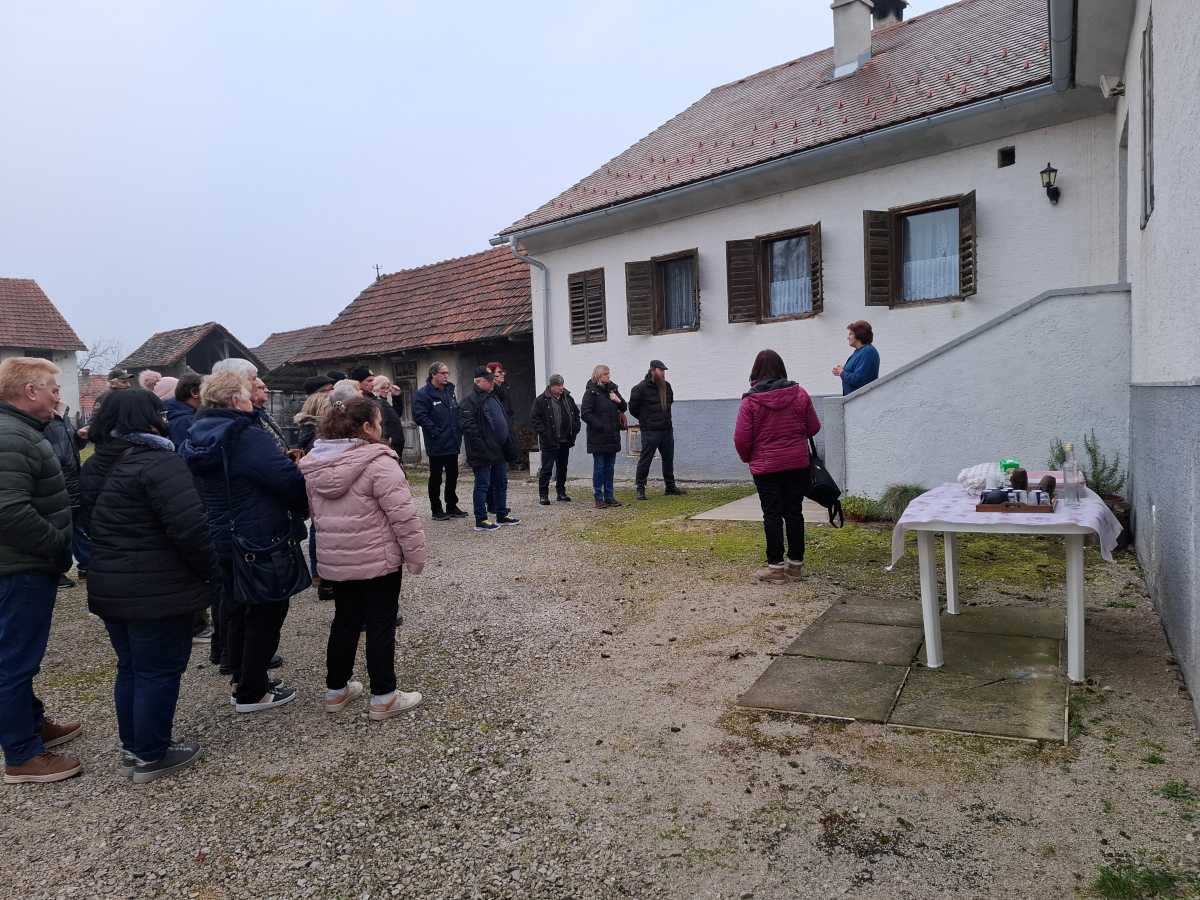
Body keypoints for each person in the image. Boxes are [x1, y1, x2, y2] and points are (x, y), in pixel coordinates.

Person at [79, 389, 221, 782]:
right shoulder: (160, 462)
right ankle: (152, 753)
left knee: (130, 667)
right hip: (158, 587)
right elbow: (191, 528)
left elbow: (88, 520)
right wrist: (213, 572)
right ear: (148, 418)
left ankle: (134, 748)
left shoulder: (95, 462)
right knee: (158, 670)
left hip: (110, 582)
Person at [181, 369, 308, 712]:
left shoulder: (198, 433)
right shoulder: (245, 436)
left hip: (222, 532)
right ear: (236, 400)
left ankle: (243, 679)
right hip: (258, 535)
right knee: (267, 609)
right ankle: (253, 691)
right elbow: (286, 481)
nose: (253, 400)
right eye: (249, 395)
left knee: (238, 608)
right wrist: (303, 489)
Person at [300, 397, 427, 720]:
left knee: (344, 621)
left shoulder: (314, 463)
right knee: (381, 624)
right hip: (377, 559)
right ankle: (384, 696)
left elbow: (315, 514)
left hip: (336, 559)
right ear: (368, 427)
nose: (383, 428)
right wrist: (415, 557)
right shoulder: (379, 461)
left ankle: (336, 690)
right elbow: (403, 516)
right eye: (380, 423)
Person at [0, 357, 81, 784]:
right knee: (14, 660)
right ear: (30, 391)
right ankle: (22, 753)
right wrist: (57, 546)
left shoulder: (19, 430)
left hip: (22, 564)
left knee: (18, 656)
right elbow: (9, 512)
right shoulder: (11, 437)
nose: (57, 396)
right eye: (52, 388)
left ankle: (32, 725)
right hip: (20, 568)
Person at [734, 350, 822, 584]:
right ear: (781, 368)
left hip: (765, 467)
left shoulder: (750, 401)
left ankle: (775, 568)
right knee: (794, 512)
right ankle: (795, 566)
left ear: (755, 371)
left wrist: (748, 458)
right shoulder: (800, 394)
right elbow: (813, 427)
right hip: (797, 463)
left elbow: (742, 439)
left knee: (772, 513)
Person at [459, 366, 520, 532]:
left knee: (501, 482)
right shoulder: (469, 400)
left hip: (498, 449)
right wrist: (482, 446)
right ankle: (481, 520)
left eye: (492, 379)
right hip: (483, 451)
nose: (492, 382)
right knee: (483, 485)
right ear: (478, 382)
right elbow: (469, 428)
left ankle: (502, 514)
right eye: (488, 380)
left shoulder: (492, 396)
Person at [412, 361, 465, 521]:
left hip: (452, 440)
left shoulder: (449, 390)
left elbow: (455, 412)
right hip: (437, 442)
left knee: (452, 475)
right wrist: (436, 431)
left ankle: (451, 505)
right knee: (436, 477)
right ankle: (436, 509)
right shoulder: (423, 394)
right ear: (433, 374)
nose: (446, 376)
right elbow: (419, 416)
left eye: (447, 373)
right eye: (443, 373)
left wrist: (459, 429)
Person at [628, 359, 687, 500]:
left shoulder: (667, 386)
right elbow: (633, 409)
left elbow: (669, 402)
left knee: (668, 459)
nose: (663, 373)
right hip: (650, 431)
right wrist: (646, 420)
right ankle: (640, 488)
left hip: (666, 429)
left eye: (664, 371)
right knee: (645, 460)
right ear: (652, 371)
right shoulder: (639, 388)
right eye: (661, 370)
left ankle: (670, 487)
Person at [44, 399, 87, 588]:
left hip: (72, 481)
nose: (57, 396)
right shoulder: (42, 417)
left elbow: (70, 447)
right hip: (57, 482)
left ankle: (86, 565)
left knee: (77, 525)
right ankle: (56, 570)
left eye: (58, 390)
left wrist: (79, 438)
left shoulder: (62, 415)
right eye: (53, 391)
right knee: (58, 528)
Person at [212, 358, 289, 453]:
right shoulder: (236, 426)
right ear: (237, 383)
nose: (257, 383)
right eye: (254, 378)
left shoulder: (213, 416)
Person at [579, 365, 626, 509]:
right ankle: (598, 497)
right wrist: (600, 426)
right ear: (598, 375)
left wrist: (617, 400)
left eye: (609, 373)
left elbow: (624, 407)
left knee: (610, 467)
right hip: (598, 437)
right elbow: (585, 413)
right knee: (599, 467)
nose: (608, 376)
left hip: (612, 436)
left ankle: (609, 496)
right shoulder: (591, 392)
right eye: (605, 374)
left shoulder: (613, 390)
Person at [529, 374, 580, 505]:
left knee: (562, 467)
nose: (561, 388)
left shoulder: (568, 398)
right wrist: (546, 434)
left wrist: (575, 428)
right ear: (551, 386)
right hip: (549, 441)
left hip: (565, 440)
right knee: (547, 469)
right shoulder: (541, 400)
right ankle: (543, 495)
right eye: (558, 385)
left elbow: (576, 414)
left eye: (562, 385)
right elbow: (535, 419)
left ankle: (561, 492)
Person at [349, 366, 405, 455]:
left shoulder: (376, 400)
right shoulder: (360, 403)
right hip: (381, 448)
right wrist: (386, 440)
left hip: (393, 447)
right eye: (369, 381)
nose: (372, 384)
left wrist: (396, 398)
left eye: (373, 380)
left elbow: (394, 415)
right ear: (357, 383)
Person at [484, 363, 514, 515]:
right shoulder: (490, 393)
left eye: (503, 371)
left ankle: (500, 504)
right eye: (499, 372)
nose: (503, 374)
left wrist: (510, 427)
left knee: (501, 475)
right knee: (492, 474)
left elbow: (509, 411)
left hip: (505, 435)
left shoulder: (504, 389)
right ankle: (492, 504)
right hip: (493, 439)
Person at [832, 320, 880, 395]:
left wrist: (842, 373)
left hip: (862, 399)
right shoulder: (860, 351)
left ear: (859, 334)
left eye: (851, 334)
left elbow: (859, 379)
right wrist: (841, 371)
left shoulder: (868, 352)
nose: (848, 338)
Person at [164, 374, 202, 450]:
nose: (210, 394)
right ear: (195, 393)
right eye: (207, 390)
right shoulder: (187, 421)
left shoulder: (171, 411)